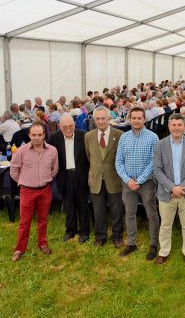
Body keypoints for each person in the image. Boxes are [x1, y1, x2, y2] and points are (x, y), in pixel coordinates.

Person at [153, 114, 185, 266]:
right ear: (169, 126)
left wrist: (181, 188)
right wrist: (172, 187)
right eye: (174, 125)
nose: (177, 128)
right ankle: (164, 252)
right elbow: (157, 170)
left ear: (184, 126)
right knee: (165, 225)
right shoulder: (160, 145)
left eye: (180, 125)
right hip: (167, 192)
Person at [115, 107, 159, 260]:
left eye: (139, 118)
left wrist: (139, 180)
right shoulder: (124, 137)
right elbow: (118, 161)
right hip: (128, 182)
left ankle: (154, 244)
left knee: (151, 213)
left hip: (146, 182)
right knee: (130, 213)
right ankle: (131, 243)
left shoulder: (153, 137)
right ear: (130, 119)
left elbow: (154, 162)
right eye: (133, 118)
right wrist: (128, 180)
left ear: (144, 119)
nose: (136, 121)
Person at [10, 122, 58, 262]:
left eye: (39, 135)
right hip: (27, 190)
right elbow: (14, 171)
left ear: (44, 135)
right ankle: (20, 249)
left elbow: (54, 169)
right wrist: (24, 181)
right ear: (29, 135)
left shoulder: (52, 151)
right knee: (25, 222)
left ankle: (42, 243)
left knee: (43, 219)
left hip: (45, 190)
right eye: (34, 135)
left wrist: (44, 178)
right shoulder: (21, 151)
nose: (36, 138)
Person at [84, 107, 125, 248]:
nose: (101, 121)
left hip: (114, 178)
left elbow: (122, 158)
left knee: (116, 210)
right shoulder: (88, 136)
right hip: (96, 179)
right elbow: (90, 157)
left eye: (103, 118)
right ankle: (100, 236)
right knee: (98, 210)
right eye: (98, 119)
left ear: (109, 118)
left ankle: (117, 236)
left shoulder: (119, 135)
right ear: (94, 120)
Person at [47, 115, 90, 243]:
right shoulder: (55, 137)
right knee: (69, 204)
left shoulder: (84, 136)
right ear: (60, 127)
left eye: (71, 126)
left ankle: (84, 231)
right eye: (64, 127)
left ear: (74, 125)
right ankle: (70, 230)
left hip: (81, 174)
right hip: (64, 175)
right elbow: (47, 152)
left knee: (82, 204)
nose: (68, 129)